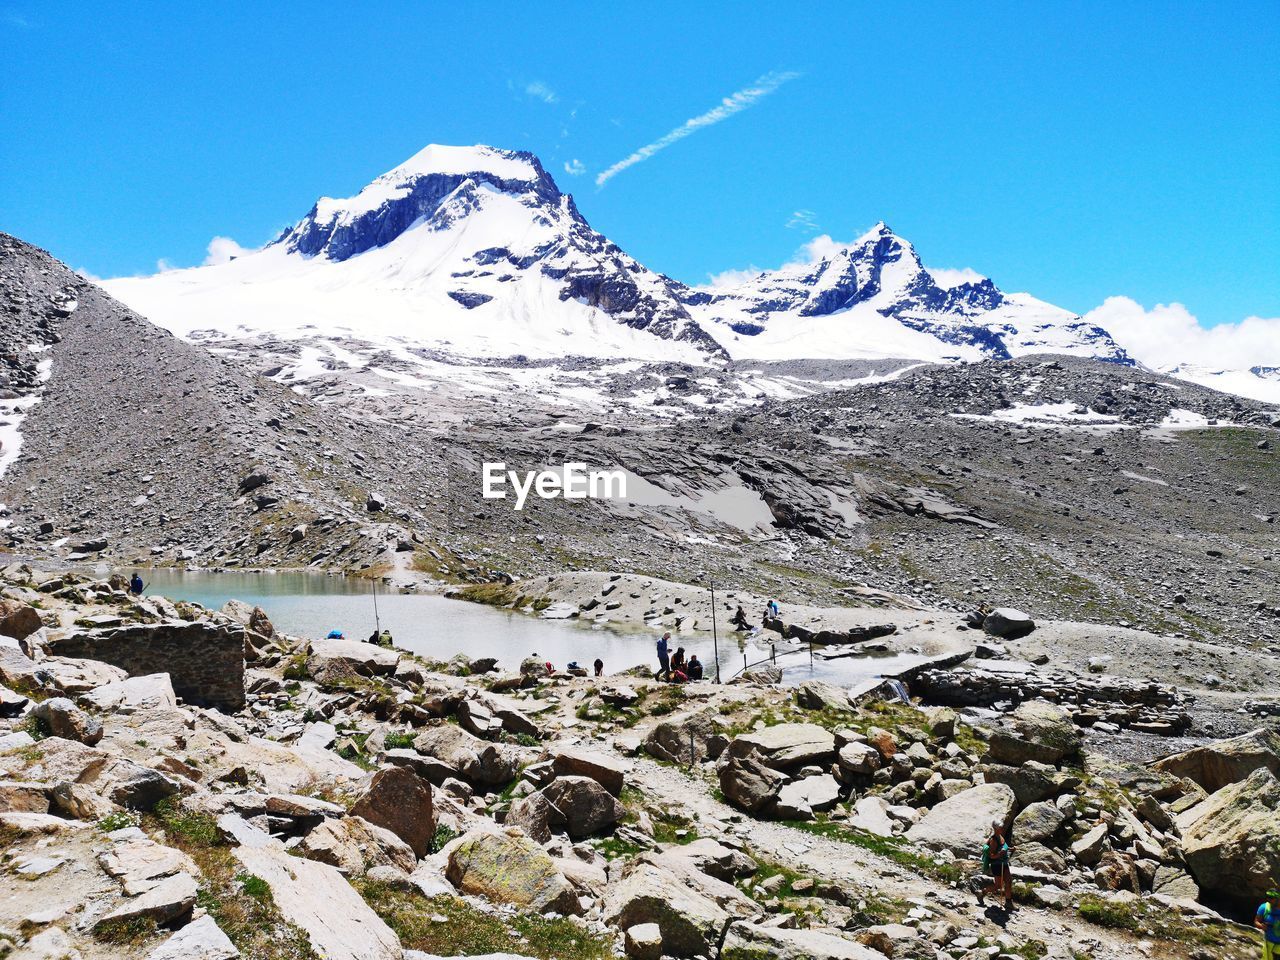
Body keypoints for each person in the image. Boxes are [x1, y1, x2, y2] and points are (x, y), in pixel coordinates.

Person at [981, 820, 1013, 911]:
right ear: (995, 828)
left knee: (1009, 881)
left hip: (1004, 863)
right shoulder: (993, 840)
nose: (1002, 829)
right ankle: (982, 892)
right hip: (997, 865)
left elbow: (1003, 847)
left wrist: (1009, 849)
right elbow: (992, 855)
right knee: (998, 885)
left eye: (1002, 827)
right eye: (1000, 827)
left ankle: (1008, 902)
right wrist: (1000, 854)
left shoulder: (1000, 837)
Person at [1256, 889, 1280, 959]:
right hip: (1268, 942)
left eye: (1271, 898)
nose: (1269, 899)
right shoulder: (1264, 907)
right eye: (1268, 897)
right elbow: (1256, 921)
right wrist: (1261, 926)